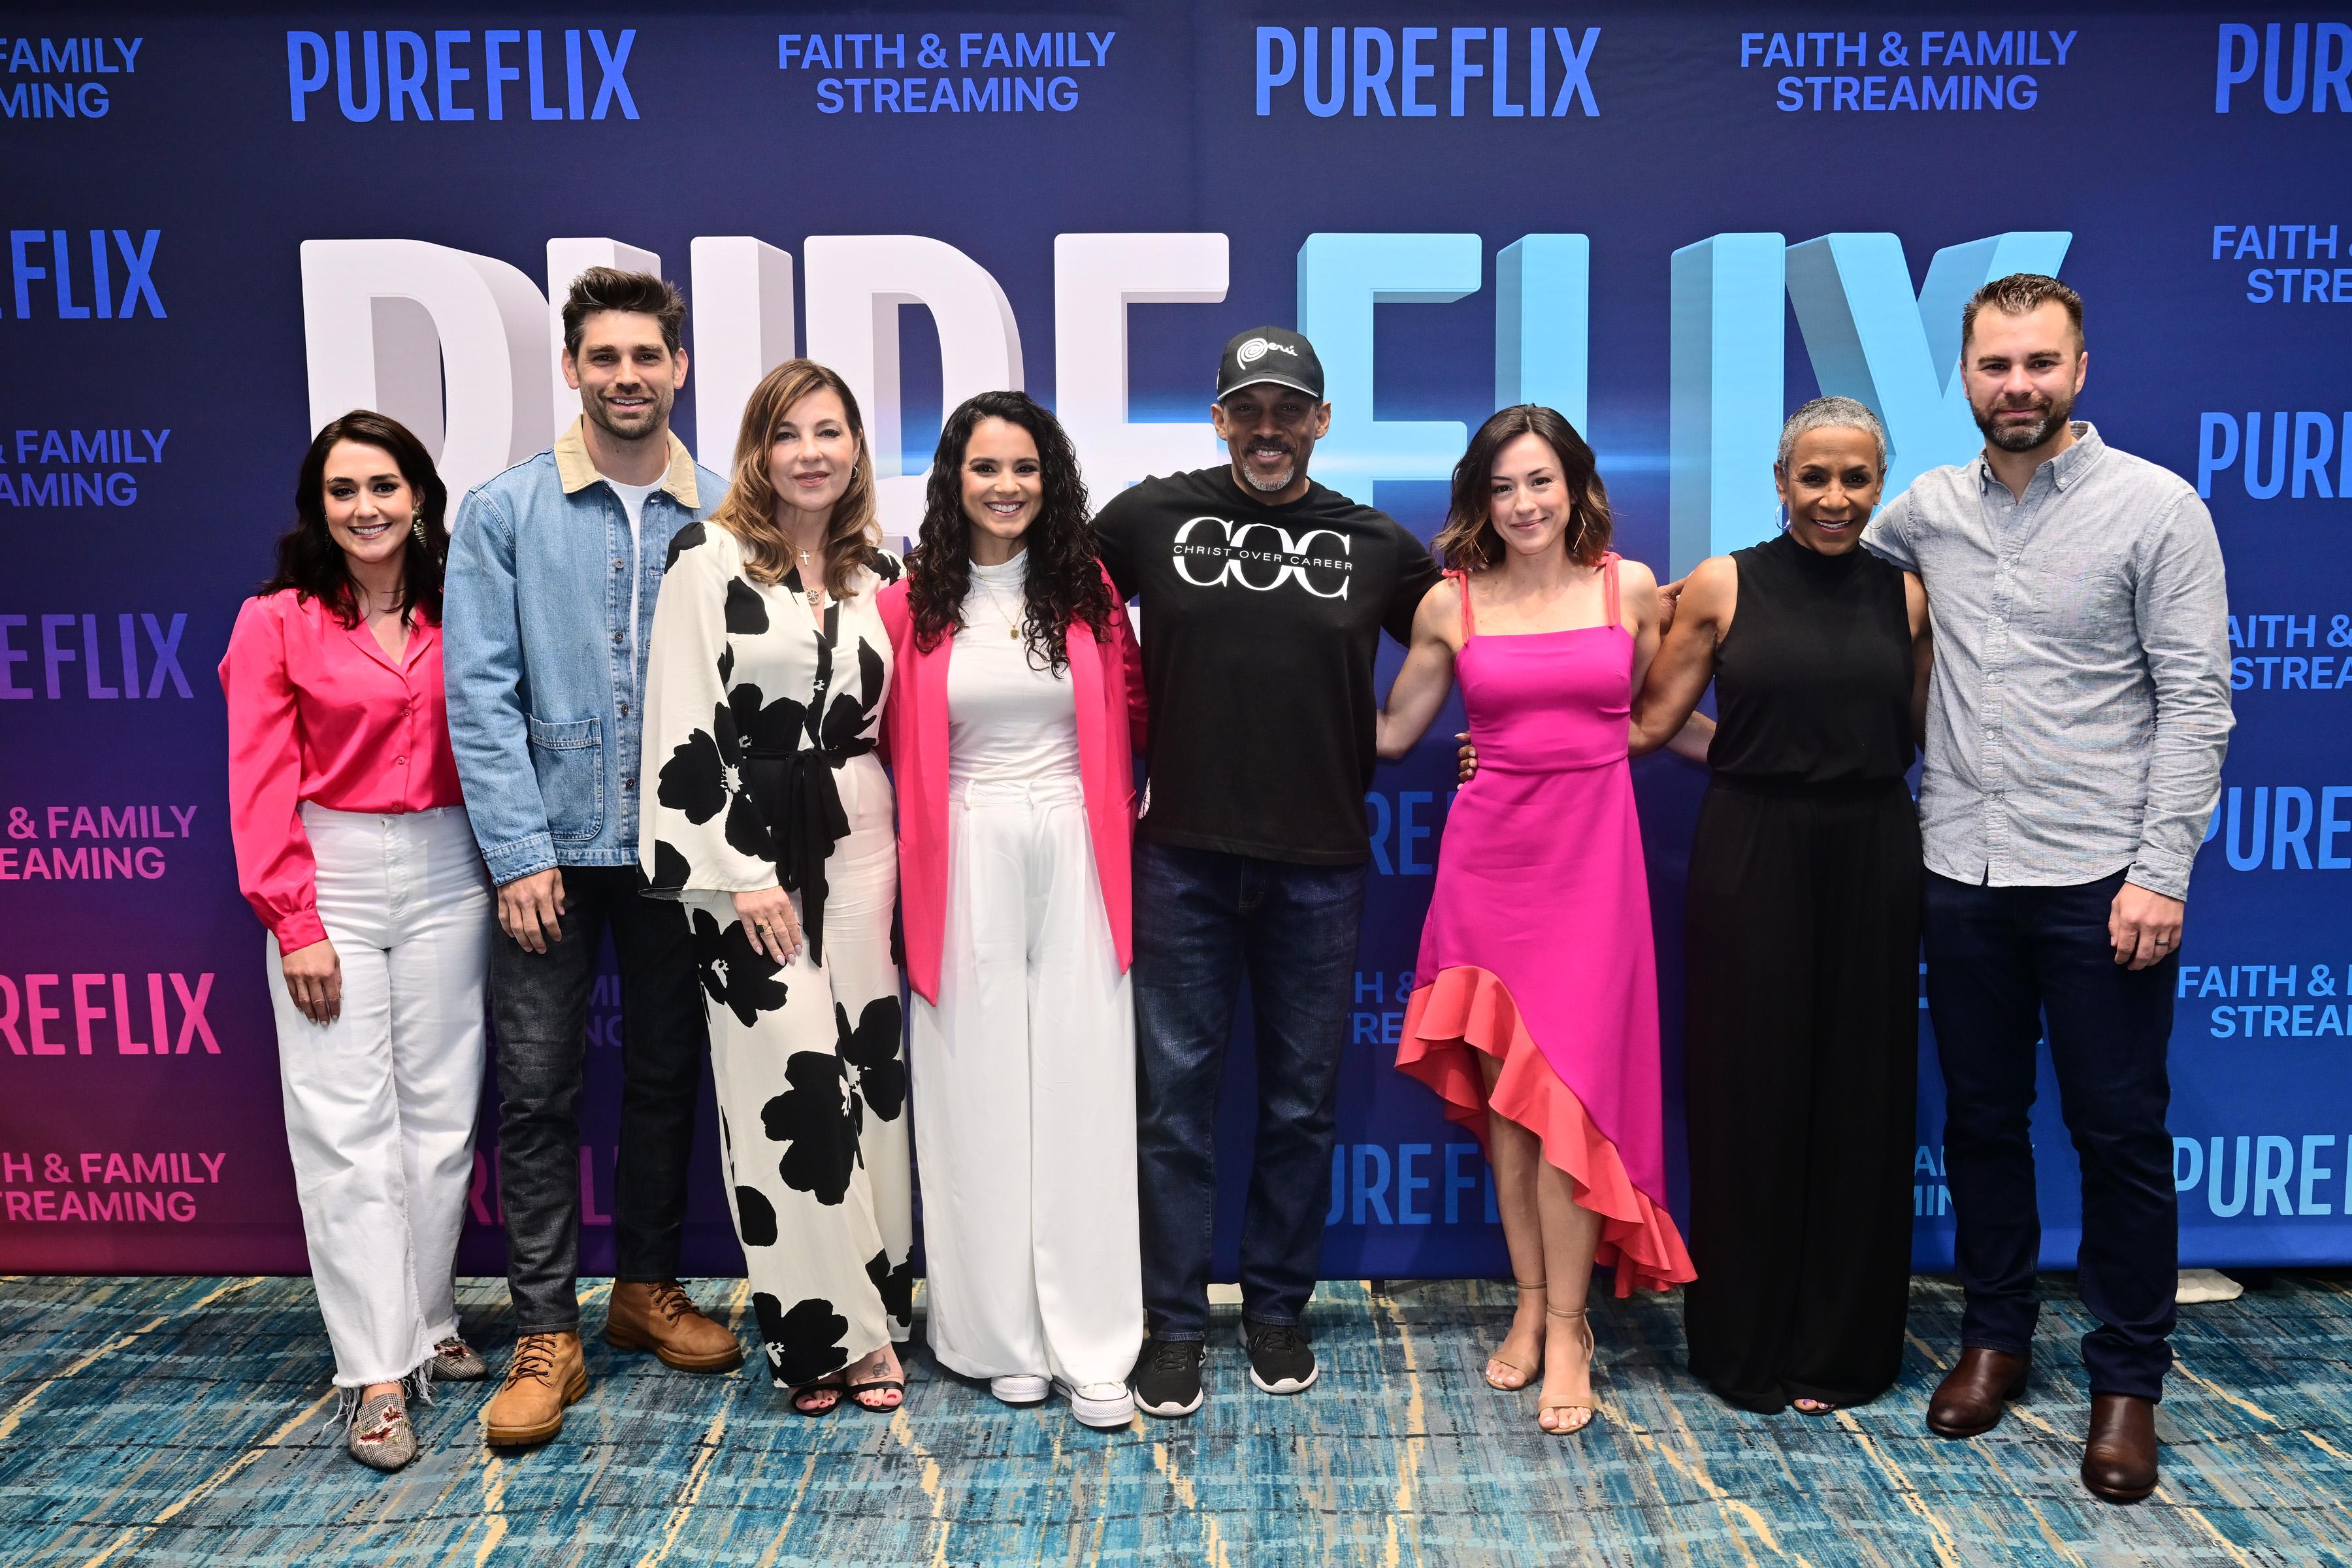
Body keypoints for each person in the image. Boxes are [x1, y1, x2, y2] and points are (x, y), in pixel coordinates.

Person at [1863, 274, 2232, 1503]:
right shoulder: (1922, 511)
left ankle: (2128, 1384)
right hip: (1960, 868)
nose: (2016, 386)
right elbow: (1808, 592)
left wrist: (2160, 872)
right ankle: (1996, 1341)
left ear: (2081, 370)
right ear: (1963, 377)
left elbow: (2196, 703)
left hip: (2102, 882)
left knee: (2119, 1137)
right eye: (1993, 366)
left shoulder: (2157, 509)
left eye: (2039, 364)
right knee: (1979, 1125)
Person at [1093, 327, 1441, 1418]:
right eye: (1247, 408)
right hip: (1183, 859)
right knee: (1175, 1107)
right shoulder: (1152, 516)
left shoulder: (1375, 542)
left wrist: (1440, 738)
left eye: (1289, 410)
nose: (1268, 429)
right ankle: (1176, 1323)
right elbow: (1040, 609)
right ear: (1218, 416)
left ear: (1322, 423)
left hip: (1321, 867)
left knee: (1299, 1104)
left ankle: (1278, 1309)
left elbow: (1473, 636)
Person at [444, 268, 741, 1448]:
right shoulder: (504, 511)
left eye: (647, 357)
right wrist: (518, 853)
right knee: (537, 1092)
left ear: (678, 368)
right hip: (548, 856)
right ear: (572, 370)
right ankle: (544, 1331)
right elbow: (479, 692)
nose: (627, 377)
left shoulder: (722, 513)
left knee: (670, 1078)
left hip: (678, 854)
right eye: (604, 358)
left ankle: (644, 1293)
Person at [1378, 404, 1696, 1435]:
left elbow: (1663, 720)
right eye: (1503, 487)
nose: (1523, 504)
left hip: (1594, 877)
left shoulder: (1632, 589)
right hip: (1488, 870)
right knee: (1514, 1109)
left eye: (1540, 482)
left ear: (1577, 489)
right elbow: (1390, 736)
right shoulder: (1449, 605)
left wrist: (1784, 758)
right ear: (1481, 498)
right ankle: (1528, 1307)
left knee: (1572, 1103)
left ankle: (1572, 1329)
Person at [1621, 397, 1932, 1416]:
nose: (1835, 499)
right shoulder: (1723, 583)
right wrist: (1512, 748)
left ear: (1879, 484)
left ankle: (1841, 1352)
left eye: (1856, 479)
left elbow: (1917, 730)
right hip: (1750, 853)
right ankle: (1745, 1344)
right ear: (1780, 478)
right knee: (1747, 1094)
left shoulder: (1911, 597)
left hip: (1876, 851)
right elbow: (1650, 724)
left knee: (1863, 1097)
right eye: (1816, 477)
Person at [220, 410, 493, 1471]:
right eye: (344, 491)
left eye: (384, 485)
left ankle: (427, 1327)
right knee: (342, 1125)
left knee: (437, 1116)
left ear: (419, 495)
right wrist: (296, 922)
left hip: (449, 868)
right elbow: (258, 783)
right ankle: (375, 1377)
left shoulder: (462, 608)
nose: (366, 508)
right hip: (328, 872)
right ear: (317, 508)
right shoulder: (275, 621)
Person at [640, 358, 912, 1417]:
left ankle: (880, 1313)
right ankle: (817, 1338)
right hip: (743, 856)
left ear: (855, 449)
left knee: (871, 1084)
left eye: (831, 432)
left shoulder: (878, 569)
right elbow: (680, 725)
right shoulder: (707, 558)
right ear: (758, 449)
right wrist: (742, 873)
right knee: (787, 1091)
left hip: (862, 840)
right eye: (790, 433)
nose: (812, 453)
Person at [877, 391, 1149, 1429]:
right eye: (985, 468)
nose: (1006, 487)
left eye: (1026, 468)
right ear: (953, 479)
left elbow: (1134, 714)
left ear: (1053, 479)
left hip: (1079, 842)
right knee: (972, 1091)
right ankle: (996, 1335)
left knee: (1084, 1086)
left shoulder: (1088, 592)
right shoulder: (909, 606)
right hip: (964, 848)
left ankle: (1091, 1340)